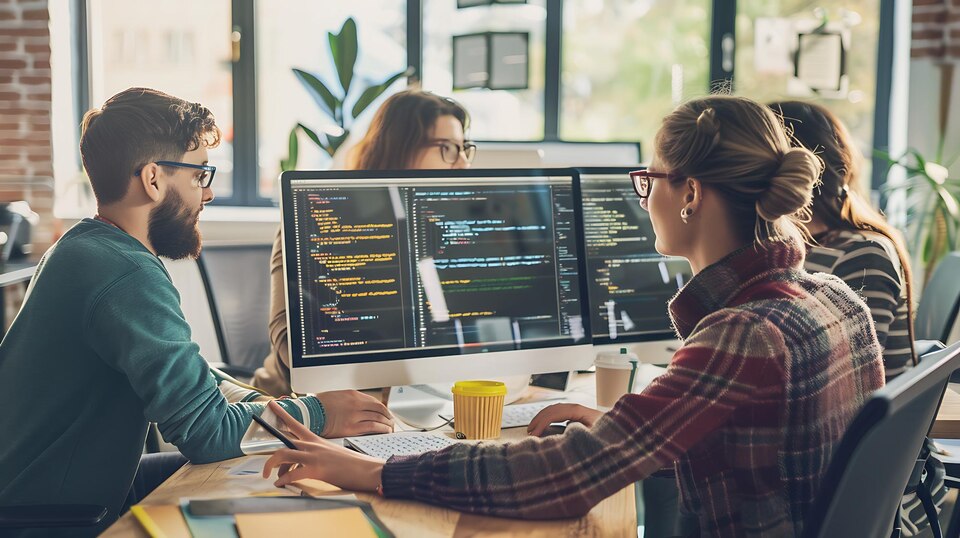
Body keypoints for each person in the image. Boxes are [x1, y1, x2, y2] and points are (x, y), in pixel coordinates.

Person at [261, 95, 886, 536]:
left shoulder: (742, 334)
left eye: (649, 180)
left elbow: (564, 476)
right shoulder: (838, 300)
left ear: (690, 193)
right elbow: (766, 448)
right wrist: (620, 424)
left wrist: (377, 471)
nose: (643, 197)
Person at [0, 88, 391, 535]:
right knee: (285, 500)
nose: (207, 193)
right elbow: (207, 433)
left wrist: (275, 406)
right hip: (50, 518)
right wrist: (320, 412)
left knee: (274, 473)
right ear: (153, 179)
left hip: (68, 492)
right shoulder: (124, 273)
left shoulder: (86, 247)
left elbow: (196, 379)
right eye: (200, 174)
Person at [771, 101, 944, 537]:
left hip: (866, 490)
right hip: (828, 466)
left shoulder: (861, 252)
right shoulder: (789, 249)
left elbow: (847, 390)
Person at [252, 89, 474, 396]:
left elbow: (443, 319)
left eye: (465, 149)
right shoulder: (318, 217)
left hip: (413, 397)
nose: (462, 164)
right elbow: (288, 342)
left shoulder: (439, 226)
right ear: (402, 148)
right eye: (447, 148)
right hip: (301, 402)